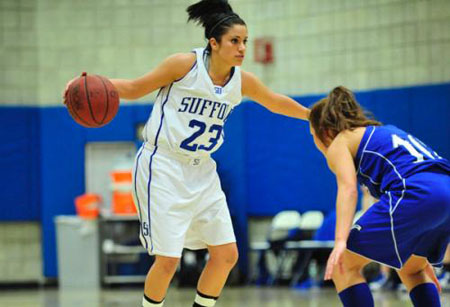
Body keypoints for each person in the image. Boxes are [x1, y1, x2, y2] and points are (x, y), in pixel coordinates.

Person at [64, 1, 309, 306]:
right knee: (167, 260)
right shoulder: (185, 65)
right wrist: (83, 85)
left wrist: (311, 116)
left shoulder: (241, 81)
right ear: (214, 42)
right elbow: (134, 87)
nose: (242, 48)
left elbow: (275, 101)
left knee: (227, 254)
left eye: (245, 41)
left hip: (202, 170)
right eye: (235, 41)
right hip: (163, 165)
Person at [308, 86, 450, 307]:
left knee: (342, 266)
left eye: (312, 136)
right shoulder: (382, 132)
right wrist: (421, 246)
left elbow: (348, 189)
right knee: (412, 268)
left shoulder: (340, 142)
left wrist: (340, 242)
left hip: (416, 191)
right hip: (444, 188)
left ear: (324, 131)